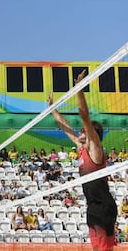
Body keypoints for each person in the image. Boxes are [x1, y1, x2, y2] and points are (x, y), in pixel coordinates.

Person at [48, 70, 117, 251]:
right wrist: (52, 109)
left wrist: (79, 89)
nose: (79, 133)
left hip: (101, 207)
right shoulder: (82, 149)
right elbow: (66, 128)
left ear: (91, 135)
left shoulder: (95, 149)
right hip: (96, 206)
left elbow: (84, 116)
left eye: (83, 131)